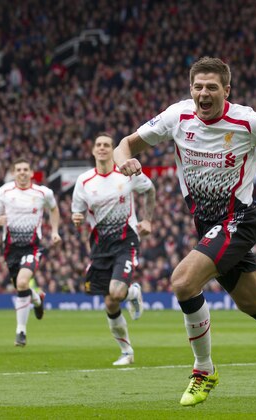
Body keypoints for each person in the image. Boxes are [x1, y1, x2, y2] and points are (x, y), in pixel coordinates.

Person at [113, 57, 256, 407]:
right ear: (191, 90)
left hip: (239, 221)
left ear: (227, 90)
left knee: (183, 281)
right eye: (198, 87)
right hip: (208, 225)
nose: (204, 93)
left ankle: (203, 371)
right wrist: (124, 159)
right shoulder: (177, 116)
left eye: (212, 87)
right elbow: (125, 143)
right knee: (254, 302)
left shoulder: (249, 122)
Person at [72, 133, 156, 366]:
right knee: (110, 302)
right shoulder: (84, 181)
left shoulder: (126, 173)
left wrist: (147, 220)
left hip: (125, 240)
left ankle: (130, 292)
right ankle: (126, 352)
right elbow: (77, 211)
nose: (102, 148)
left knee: (116, 293)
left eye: (107, 145)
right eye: (98, 144)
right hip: (99, 245)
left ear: (112, 149)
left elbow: (150, 190)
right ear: (93, 151)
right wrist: (76, 218)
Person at [0, 158, 61, 346]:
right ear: (13, 173)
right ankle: (37, 299)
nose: (22, 172)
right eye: (18, 169)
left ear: (31, 173)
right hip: (11, 249)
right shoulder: (4, 192)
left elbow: (54, 209)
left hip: (32, 247)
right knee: (20, 286)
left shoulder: (43, 192)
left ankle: (20, 332)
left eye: (25, 169)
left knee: (22, 282)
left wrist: (54, 231)